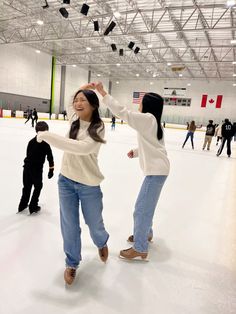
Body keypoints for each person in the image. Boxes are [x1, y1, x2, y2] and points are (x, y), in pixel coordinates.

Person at [36, 83, 109, 285]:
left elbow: (81, 148)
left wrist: (47, 136)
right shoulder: (74, 118)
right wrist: (82, 88)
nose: (77, 103)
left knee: (94, 224)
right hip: (66, 181)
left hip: (89, 184)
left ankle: (101, 242)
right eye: (76, 100)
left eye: (83, 100)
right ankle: (72, 262)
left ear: (93, 105)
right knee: (69, 225)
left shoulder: (99, 127)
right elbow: (70, 98)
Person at [95, 82, 170, 261]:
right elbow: (154, 145)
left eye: (141, 101)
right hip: (158, 170)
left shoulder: (148, 119)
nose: (139, 104)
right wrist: (136, 152)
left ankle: (140, 247)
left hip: (156, 172)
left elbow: (123, 113)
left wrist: (102, 93)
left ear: (148, 105)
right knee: (146, 207)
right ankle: (146, 234)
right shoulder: (154, 122)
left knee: (141, 209)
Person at [18, 121, 54, 214]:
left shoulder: (31, 141)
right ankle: (33, 206)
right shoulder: (46, 144)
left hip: (26, 168)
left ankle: (22, 205)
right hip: (36, 170)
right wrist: (51, 170)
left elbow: (28, 155)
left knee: (27, 187)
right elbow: (50, 158)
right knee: (38, 186)